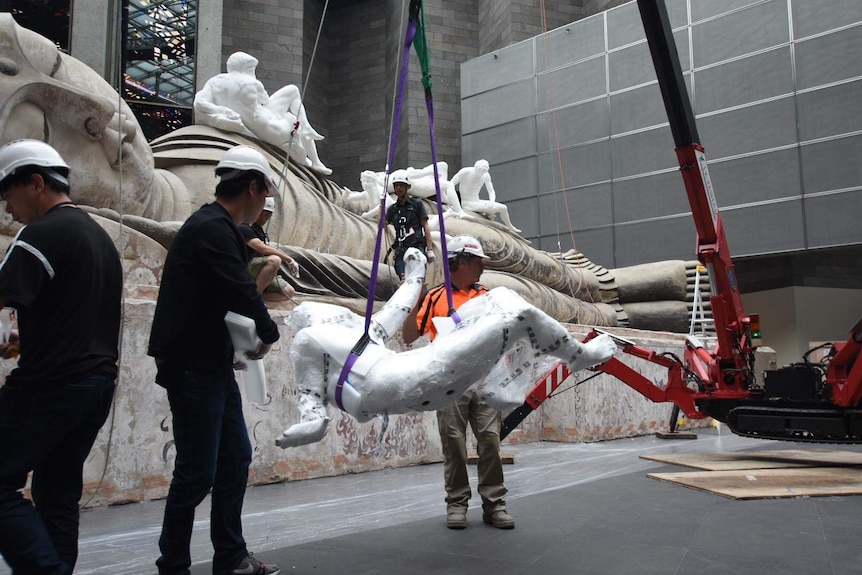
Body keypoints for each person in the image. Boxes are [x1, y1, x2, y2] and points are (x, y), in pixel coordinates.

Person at [148, 145, 282, 575]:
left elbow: (219, 296)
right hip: (191, 368)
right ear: (253, 186)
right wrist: (269, 331)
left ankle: (230, 555)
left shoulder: (220, 227)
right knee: (196, 473)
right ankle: (173, 564)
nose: (264, 205)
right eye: (265, 194)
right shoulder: (212, 228)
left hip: (210, 364)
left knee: (234, 459)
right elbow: (239, 289)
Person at [0, 139, 123, 573]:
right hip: (96, 384)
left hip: (50, 383)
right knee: (57, 490)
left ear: (35, 183)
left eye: (7, 193)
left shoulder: (40, 234)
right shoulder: (99, 237)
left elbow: (3, 312)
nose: (7, 208)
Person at [402, 235, 514, 530]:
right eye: (478, 262)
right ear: (462, 262)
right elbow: (410, 335)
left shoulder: (488, 296)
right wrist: (415, 301)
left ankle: (494, 505)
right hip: (450, 382)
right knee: (454, 444)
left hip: (485, 378)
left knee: (490, 441)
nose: (482, 269)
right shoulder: (435, 297)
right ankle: (457, 504)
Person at [194, 51, 331, 175]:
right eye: (253, 69)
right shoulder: (252, 82)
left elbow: (199, 103)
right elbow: (264, 100)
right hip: (271, 130)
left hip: (251, 126)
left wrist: (223, 110)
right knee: (292, 97)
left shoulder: (214, 82)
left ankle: (311, 150)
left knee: (292, 111)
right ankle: (314, 155)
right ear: (247, 68)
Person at [240, 196, 299, 302]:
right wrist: (289, 260)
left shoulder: (258, 231)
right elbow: (262, 248)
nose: (264, 218)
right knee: (275, 260)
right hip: (245, 267)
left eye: (268, 215)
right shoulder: (243, 227)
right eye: (263, 213)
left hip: (257, 268)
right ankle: (255, 298)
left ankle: (247, 297)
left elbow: (267, 246)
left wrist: (290, 259)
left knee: (289, 292)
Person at [385, 172, 435, 280]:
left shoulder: (417, 204)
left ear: (407, 187)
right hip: (400, 248)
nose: (399, 188)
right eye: (396, 185)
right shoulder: (392, 209)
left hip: (416, 246)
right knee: (403, 279)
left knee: (418, 278)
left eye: (401, 185)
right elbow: (382, 226)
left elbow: (425, 225)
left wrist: (429, 249)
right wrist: (381, 204)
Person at [450, 159, 521, 233]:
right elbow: (451, 184)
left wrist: (492, 201)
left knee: (503, 207)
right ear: (475, 167)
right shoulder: (466, 172)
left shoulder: (486, 175)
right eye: (480, 170)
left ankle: (509, 226)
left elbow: (491, 191)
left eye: (484, 171)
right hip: (467, 203)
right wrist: (451, 202)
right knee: (492, 208)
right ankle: (489, 213)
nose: (481, 173)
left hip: (476, 201)